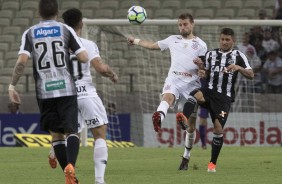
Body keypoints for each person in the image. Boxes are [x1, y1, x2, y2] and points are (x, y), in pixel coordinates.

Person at [8, 0, 88, 183]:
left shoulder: (30, 33)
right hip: (66, 88)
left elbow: (21, 62)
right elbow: (83, 58)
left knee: (57, 136)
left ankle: (69, 178)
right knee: (72, 131)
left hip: (45, 91)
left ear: (38, 13)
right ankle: (71, 167)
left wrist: (12, 86)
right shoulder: (65, 30)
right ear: (57, 13)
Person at [49, 8, 118, 184]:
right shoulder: (86, 44)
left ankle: (57, 152)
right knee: (100, 134)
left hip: (65, 96)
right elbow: (101, 69)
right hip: (86, 93)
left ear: (65, 24)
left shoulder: (57, 46)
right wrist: (112, 74)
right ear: (81, 23)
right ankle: (99, 180)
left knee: (72, 134)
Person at [127, 14, 207, 162]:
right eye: (180, 25)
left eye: (185, 24)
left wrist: (202, 68)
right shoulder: (172, 39)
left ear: (192, 24)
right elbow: (152, 46)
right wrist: (136, 40)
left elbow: (203, 65)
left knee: (190, 127)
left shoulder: (201, 44)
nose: (182, 27)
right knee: (167, 97)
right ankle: (158, 116)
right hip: (174, 79)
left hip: (191, 85)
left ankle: (186, 156)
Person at [178, 28, 254, 172]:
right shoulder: (211, 54)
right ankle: (183, 118)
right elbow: (205, 72)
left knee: (218, 129)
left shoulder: (238, 55)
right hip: (209, 91)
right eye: (222, 39)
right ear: (219, 39)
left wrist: (238, 68)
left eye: (227, 40)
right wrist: (201, 68)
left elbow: (251, 74)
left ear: (233, 41)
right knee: (194, 95)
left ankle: (212, 164)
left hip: (223, 98)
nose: (224, 42)